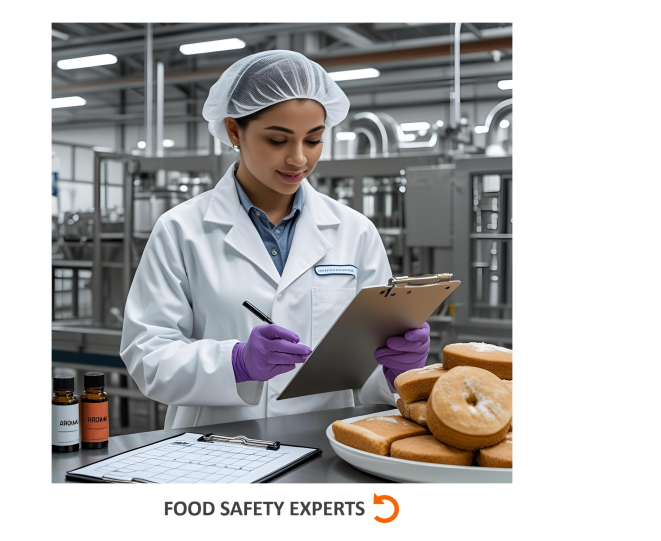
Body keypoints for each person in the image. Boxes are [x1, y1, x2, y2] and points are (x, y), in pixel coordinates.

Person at [120, 50, 430, 430]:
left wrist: (395, 368)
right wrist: (234, 362)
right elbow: (147, 355)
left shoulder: (355, 231)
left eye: (313, 140)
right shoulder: (181, 229)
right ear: (235, 131)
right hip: (215, 446)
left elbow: (363, 376)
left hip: (325, 443)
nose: (298, 158)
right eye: (278, 140)